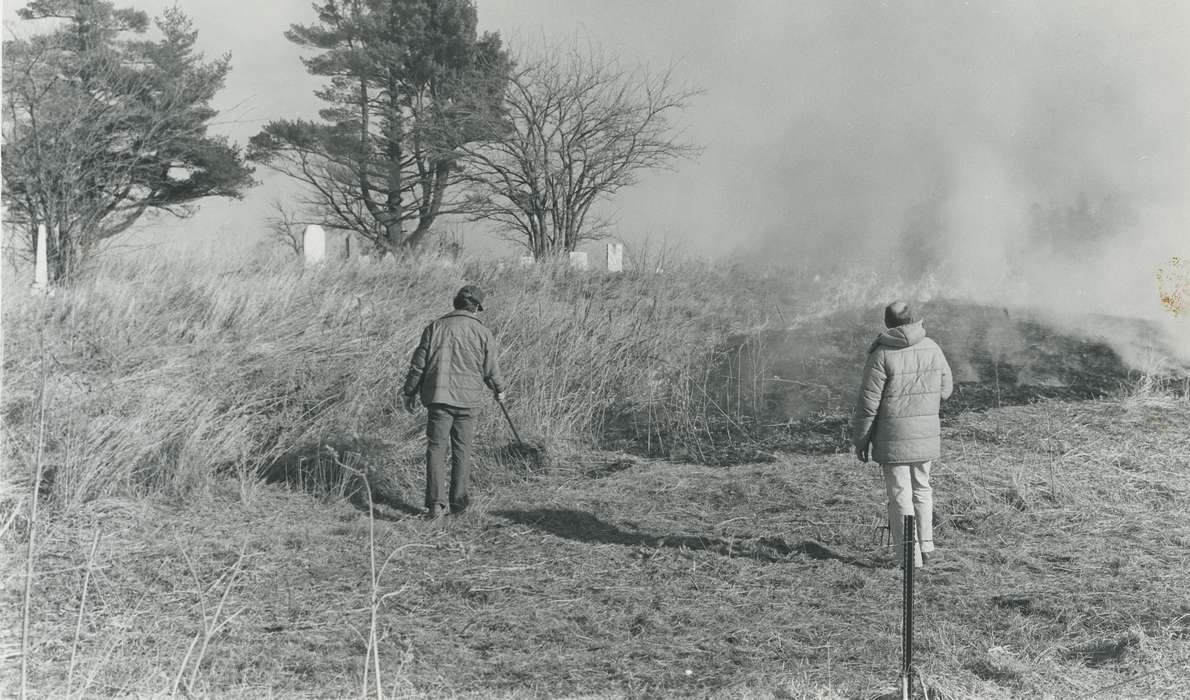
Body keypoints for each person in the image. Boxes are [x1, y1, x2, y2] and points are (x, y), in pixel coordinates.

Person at [851, 301, 953, 567]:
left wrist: (861, 440)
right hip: (925, 434)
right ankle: (927, 547)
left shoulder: (881, 354)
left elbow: (867, 404)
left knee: (899, 495)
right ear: (912, 320)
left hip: (892, 438)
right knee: (922, 488)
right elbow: (946, 389)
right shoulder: (932, 347)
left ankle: (909, 557)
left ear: (888, 323)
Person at [402, 285, 505, 518]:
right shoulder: (483, 332)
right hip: (468, 401)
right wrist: (499, 389)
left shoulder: (434, 327)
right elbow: (490, 369)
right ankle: (458, 503)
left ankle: (435, 505)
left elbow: (418, 365)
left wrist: (409, 392)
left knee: (436, 449)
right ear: (476, 307)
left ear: (455, 303)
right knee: (462, 450)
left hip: (439, 399)